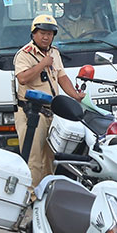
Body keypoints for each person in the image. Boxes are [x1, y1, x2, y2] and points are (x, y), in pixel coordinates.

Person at [13, 14, 85, 186]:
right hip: (31, 114)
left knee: (49, 159)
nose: (46, 37)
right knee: (33, 158)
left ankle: (46, 194)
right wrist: (42, 64)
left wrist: (75, 96)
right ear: (34, 34)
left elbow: (62, 77)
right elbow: (22, 78)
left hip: (52, 113)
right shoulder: (25, 54)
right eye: (42, 33)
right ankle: (31, 196)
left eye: (50, 34)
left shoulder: (54, 53)